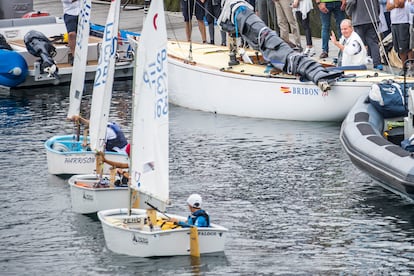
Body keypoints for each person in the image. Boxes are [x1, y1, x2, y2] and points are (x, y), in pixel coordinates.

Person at [346, 0, 383, 70]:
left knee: (359, 43)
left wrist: (348, 12)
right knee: (373, 42)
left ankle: (359, 64)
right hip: (372, 18)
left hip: (359, 19)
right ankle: (377, 64)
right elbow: (377, 4)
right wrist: (376, 14)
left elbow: (351, 2)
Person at [386, 0, 410, 73]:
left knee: (405, 46)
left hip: (403, 21)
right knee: (398, 47)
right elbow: (388, 7)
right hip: (394, 22)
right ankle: (404, 67)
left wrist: (393, 5)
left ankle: (408, 67)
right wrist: (395, 5)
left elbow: (401, 4)